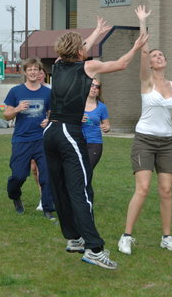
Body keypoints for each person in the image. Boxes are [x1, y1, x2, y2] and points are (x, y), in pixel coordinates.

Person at [43, 16, 149, 270]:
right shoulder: (87, 68)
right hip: (69, 132)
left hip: (50, 132)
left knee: (61, 189)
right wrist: (136, 46)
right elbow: (122, 64)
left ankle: (74, 239)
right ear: (80, 51)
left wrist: (96, 33)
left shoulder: (57, 65)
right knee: (81, 191)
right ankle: (94, 248)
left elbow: (76, 49)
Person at [117, 5, 172, 255]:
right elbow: (143, 52)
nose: (158, 57)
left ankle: (166, 237)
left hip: (166, 143)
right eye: (155, 56)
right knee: (143, 189)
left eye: (160, 55)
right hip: (144, 140)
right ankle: (126, 235)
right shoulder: (146, 81)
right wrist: (143, 23)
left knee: (166, 190)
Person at [3, 58, 55, 220]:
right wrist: (18, 109)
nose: (33, 72)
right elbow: (6, 115)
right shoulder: (16, 91)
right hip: (21, 140)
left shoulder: (48, 92)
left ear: (40, 73)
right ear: (25, 72)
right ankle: (15, 196)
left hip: (42, 139)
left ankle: (48, 208)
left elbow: (53, 113)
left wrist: (49, 121)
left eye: (36, 69)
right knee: (18, 175)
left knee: (46, 176)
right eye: (30, 69)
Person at [31, 67, 51, 212]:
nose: (38, 75)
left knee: (43, 168)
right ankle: (42, 194)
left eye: (40, 72)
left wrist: (49, 120)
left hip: (47, 134)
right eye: (35, 72)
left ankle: (44, 199)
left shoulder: (50, 91)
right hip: (31, 135)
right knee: (33, 168)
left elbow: (56, 110)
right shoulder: (29, 89)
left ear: (44, 75)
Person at [82, 78, 110, 174]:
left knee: (87, 170)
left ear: (99, 91)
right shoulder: (78, 104)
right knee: (77, 171)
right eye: (91, 85)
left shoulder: (102, 107)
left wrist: (106, 128)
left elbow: (107, 125)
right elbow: (68, 121)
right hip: (77, 142)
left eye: (97, 87)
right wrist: (78, 119)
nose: (94, 88)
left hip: (94, 143)